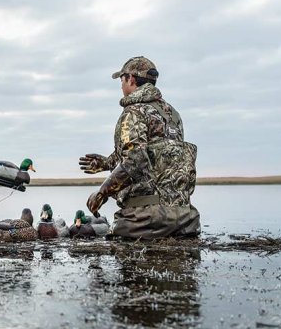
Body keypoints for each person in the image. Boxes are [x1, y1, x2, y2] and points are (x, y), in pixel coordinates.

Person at [78, 56, 200, 238]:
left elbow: (135, 161)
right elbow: (156, 155)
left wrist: (101, 193)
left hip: (145, 220)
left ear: (131, 79)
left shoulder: (134, 112)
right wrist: (107, 162)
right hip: (185, 218)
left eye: (122, 79)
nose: (121, 85)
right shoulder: (173, 115)